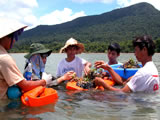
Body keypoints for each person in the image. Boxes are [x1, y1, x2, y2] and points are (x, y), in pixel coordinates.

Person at [0, 18, 74, 99]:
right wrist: (50, 80)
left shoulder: (40, 72)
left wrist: (65, 78)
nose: (14, 41)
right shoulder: (28, 71)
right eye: (14, 37)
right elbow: (26, 86)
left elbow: (52, 79)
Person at [94, 35, 159, 93]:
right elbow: (124, 82)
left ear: (144, 50)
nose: (134, 53)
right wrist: (108, 68)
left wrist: (103, 84)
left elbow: (121, 93)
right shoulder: (152, 69)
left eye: (136, 50)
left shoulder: (142, 73)